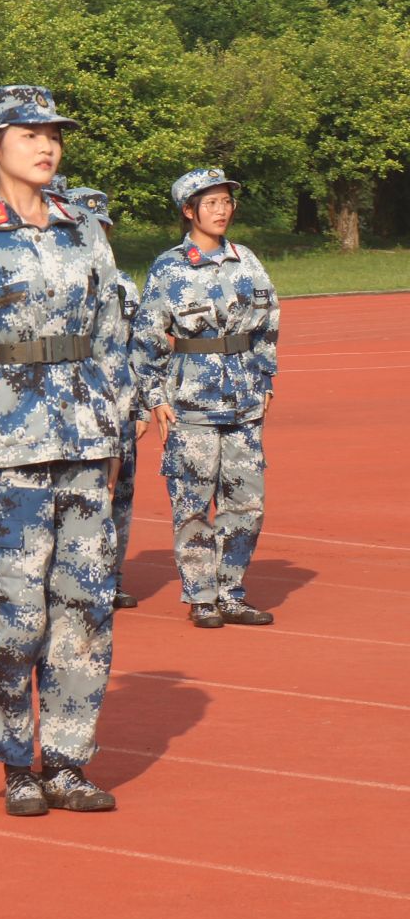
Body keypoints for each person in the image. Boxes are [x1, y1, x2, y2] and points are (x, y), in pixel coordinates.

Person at [0, 85, 126, 816]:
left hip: (86, 442)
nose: (47, 146)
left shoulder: (84, 231)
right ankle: (17, 760)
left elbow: (112, 337)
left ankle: (68, 760)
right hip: (8, 449)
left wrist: (115, 428)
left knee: (85, 606)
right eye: (29, 134)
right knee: (15, 614)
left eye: (54, 134)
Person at [130, 167, 278, 629]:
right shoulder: (170, 267)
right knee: (192, 503)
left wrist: (266, 378)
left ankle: (231, 591)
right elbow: (147, 337)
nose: (221, 210)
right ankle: (201, 596)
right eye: (210, 203)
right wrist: (155, 396)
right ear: (189, 211)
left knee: (246, 503)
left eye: (226, 202)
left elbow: (268, 322)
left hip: (244, 401)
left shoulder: (246, 260)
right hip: (190, 402)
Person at [65, 187, 142, 611]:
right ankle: (78, 578)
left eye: (102, 226)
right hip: (74, 410)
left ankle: (110, 577)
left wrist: (141, 405)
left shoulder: (124, 285)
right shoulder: (61, 282)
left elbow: (140, 349)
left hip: (119, 407)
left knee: (120, 496)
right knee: (78, 497)